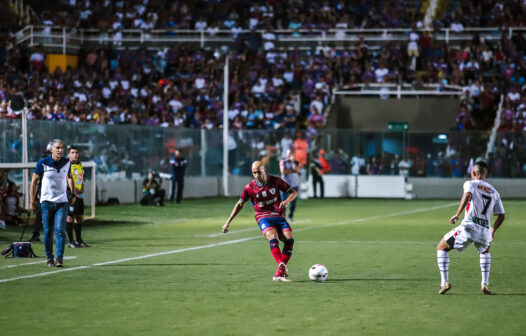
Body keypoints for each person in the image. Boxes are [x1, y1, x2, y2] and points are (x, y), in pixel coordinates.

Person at [436, 161, 505, 295]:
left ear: (473, 173)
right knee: (485, 252)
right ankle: (484, 284)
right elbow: (502, 215)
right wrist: (493, 230)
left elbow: (467, 195)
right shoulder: (494, 192)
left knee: (441, 247)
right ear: (486, 174)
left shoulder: (470, 183)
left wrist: (457, 215)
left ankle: (444, 282)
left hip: (469, 227)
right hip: (485, 230)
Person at [222, 161, 297, 282]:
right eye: (254, 172)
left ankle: (278, 274)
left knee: (289, 240)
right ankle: (281, 264)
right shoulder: (249, 187)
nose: (256, 175)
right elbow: (240, 204)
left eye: (259, 172)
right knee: (273, 237)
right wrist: (228, 222)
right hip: (263, 216)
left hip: (279, 216)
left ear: (264, 170)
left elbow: (294, 192)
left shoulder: (276, 181)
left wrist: (287, 201)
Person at [30, 139, 75, 267]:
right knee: (48, 231)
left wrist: (73, 192)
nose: (60, 150)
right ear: (51, 150)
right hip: (46, 202)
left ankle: (59, 259)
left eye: (62, 148)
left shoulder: (67, 163)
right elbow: (33, 182)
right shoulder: (42, 163)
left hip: (62, 202)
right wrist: (32, 201)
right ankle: (50, 258)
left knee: (60, 230)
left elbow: (70, 177)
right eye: (58, 148)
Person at [66, 146, 90, 248]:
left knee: (79, 217)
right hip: (70, 194)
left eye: (76, 152)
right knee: (70, 217)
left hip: (79, 194)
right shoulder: (67, 166)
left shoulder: (80, 165)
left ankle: (79, 240)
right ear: (69, 154)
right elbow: (66, 181)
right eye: (73, 152)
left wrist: (82, 188)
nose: (75, 154)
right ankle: (71, 241)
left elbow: (81, 178)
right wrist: (74, 192)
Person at [280, 148, 300, 221]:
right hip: (285, 185)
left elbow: (297, 170)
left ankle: (290, 216)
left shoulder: (296, 162)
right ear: (286, 154)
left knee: (293, 202)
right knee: (284, 201)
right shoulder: (283, 161)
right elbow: (283, 172)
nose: (289, 155)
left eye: (291, 153)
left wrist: (292, 162)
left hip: (294, 184)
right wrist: (293, 170)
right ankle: (283, 216)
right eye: (288, 153)